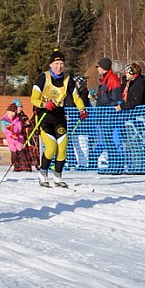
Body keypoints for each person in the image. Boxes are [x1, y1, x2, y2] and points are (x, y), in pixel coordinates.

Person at [30, 48, 88, 187]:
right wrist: (44, 104)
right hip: (44, 116)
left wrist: (82, 109)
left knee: (62, 148)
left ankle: (57, 177)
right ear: (50, 65)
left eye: (61, 63)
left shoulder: (68, 80)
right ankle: (43, 174)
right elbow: (33, 99)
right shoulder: (44, 78)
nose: (59, 66)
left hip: (59, 117)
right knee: (51, 148)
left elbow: (76, 97)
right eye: (56, 64)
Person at [0, 99, 31, 172]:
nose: (20, 108)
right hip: (12, 138)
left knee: (23, 152)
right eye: (18, 107)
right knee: (14, 152)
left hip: (21, 137)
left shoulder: (22, 116)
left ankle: (26, 166)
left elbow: (20, 126)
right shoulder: (7, 118)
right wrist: (11, 133)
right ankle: (17, 166)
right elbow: (5, 128)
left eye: (21, 107)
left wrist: (26, 125)